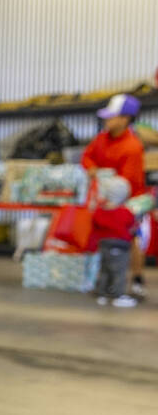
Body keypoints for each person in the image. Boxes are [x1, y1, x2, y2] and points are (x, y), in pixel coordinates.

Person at [82, 93, 147, 297]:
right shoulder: (101, 139)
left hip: (128, 200)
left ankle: (136, 280)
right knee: (99, 237)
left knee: (133, 237)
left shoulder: (133, 147)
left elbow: (129, 183)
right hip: (104, 197)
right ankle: (100, 280)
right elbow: (87, 157)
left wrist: (114, 202)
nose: (107, 120)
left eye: (112, 116)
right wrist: (93, 170)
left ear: (125, 119)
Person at [89, 175, 139, 307]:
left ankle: (102, 294)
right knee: (119, 271)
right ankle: (119, 295)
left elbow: (94, 226)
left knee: (105, 269)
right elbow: (132, 226)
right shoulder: (125, 212)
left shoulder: (99, 211)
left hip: (103, 245)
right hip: (120, 246)